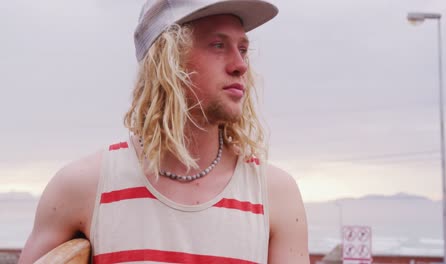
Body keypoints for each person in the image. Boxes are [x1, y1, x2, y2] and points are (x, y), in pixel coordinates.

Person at [19, 0, 309, 263]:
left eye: (243, 49)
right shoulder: (82, 187)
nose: (240, 66)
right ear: (167, 60)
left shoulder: (274, 195)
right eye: (218, 45)